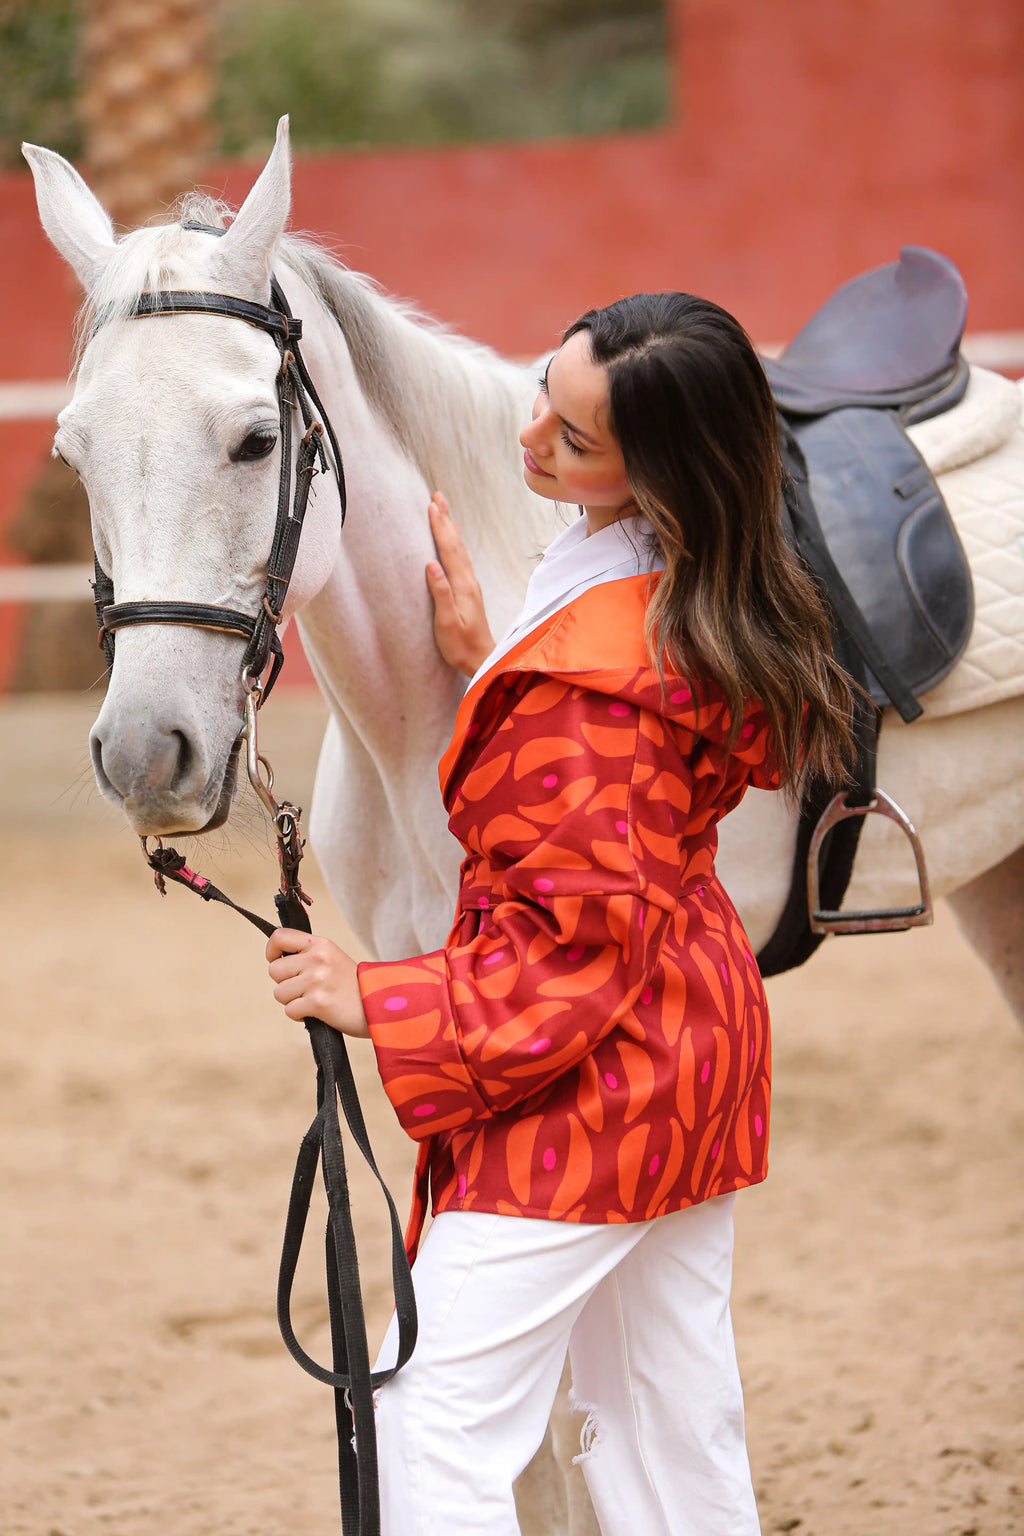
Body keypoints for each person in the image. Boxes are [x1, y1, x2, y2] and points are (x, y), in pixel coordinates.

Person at [265, 292, 854, 1536]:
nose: (530, 439)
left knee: (426, 1422)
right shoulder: (656, 584)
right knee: (665, 1430)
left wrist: (369, 997)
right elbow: (603, 828)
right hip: (690, 1053)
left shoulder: (596, 684)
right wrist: (500, 671)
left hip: (600, 1090)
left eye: (575, 440)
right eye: (544, 392)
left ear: (661, 474)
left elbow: (572, 953)